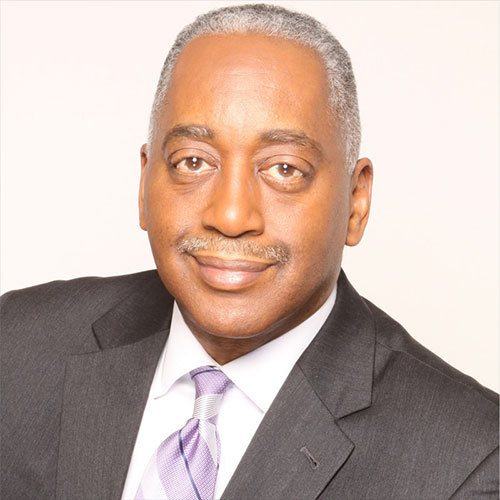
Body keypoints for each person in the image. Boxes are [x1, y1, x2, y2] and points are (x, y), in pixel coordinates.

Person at [1, 4, 497, 500]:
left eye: (284, 169)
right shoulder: (16, 347)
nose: (231, 216)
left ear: (356, 201)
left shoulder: (468, 460)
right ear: (144, 184)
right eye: (193, 162)